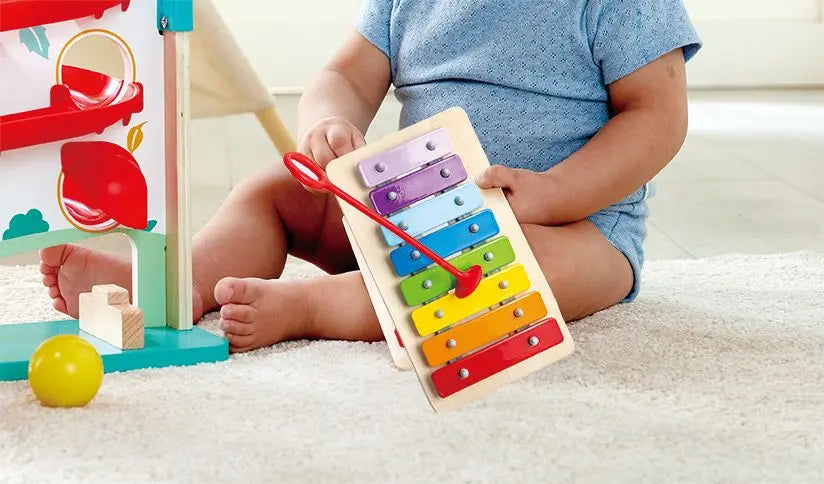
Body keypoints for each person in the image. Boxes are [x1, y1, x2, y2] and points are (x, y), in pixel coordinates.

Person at [40, 0, 701, 353]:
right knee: (278, 189)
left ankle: (320, 308)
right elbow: (345, 75)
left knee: (515, 272)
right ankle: (181, 279)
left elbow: (657, 116)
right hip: (407, 205)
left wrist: (555, 193)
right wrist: (328, 123)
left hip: (573, 229)